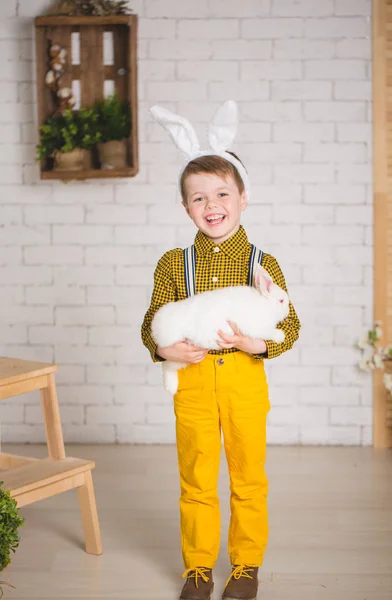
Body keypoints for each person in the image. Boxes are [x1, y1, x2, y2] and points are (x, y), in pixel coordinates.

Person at [141, 101, 301, 600]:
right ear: (185, 207)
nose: (211, 205)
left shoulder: (261, 261)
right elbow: (152, 324)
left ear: (243, 197)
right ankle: (197, 568)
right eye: (197, 198)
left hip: (244, 382)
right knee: (196, 478)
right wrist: (166, 350)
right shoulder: (174, 263)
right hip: (192, 385)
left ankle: (246, 565)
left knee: (248, 477)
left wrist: (258, 344)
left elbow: (289, 324)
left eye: (221, 194)